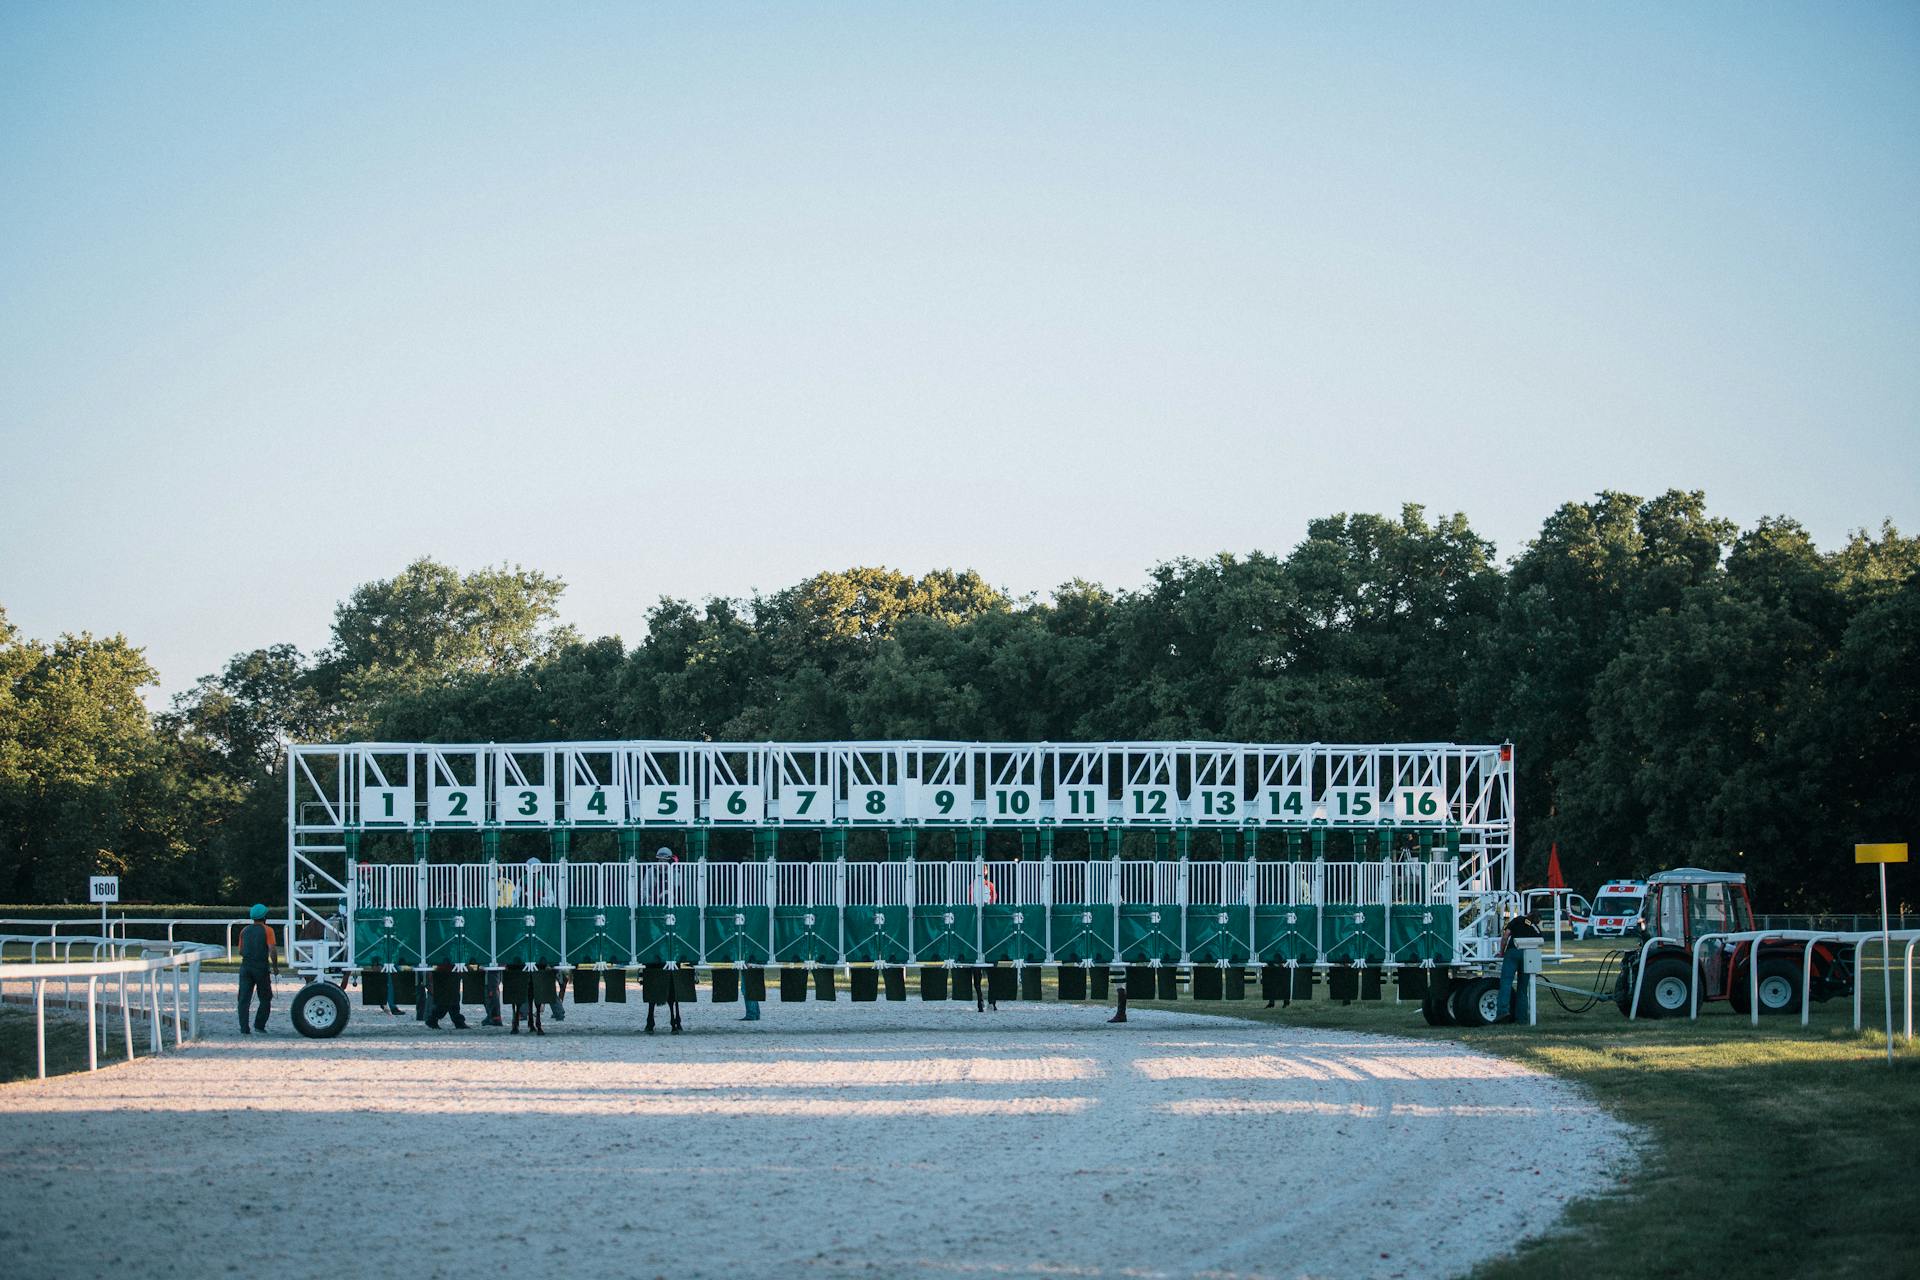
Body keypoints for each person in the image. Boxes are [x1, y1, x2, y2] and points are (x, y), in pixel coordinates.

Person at [1497, 905, 1543, 1024]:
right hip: (1529, 955)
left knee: (1506, 982)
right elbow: (1540, 941)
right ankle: (1521, 1018)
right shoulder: (1534, 927)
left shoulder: (1517, 920)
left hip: (1513, 953)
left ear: (1528, 914)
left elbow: (1506, 935)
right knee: (1523, 988)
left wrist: (1501, 952)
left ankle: (1503, 1012)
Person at [236, 903, 277, 1034]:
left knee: (243, 999)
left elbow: (241, 951)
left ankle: (244, 1028)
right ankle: (259, 1025)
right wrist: (275, 966)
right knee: (265, 998)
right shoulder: (268, 930)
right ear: (265, 917)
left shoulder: (244, 931)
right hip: (261, 967)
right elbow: (272, 950)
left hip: (245, 967)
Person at [425, 962, 469, 1030]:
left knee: (451, 995)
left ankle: (434, 1018)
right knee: (449, 996)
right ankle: (434, 1018)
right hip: (446, 967)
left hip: (450, 966)